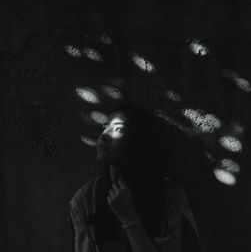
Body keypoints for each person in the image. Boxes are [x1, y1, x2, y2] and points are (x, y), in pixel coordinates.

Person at [70, 102, 203, 252]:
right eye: (105, 127)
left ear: (137, 140)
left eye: (118, 129)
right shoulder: (84, 200)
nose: (105, 135)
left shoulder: (170, 195)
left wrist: (129, 219)